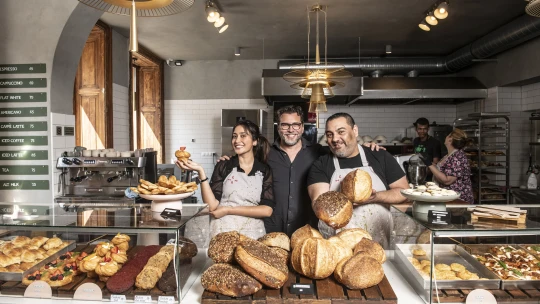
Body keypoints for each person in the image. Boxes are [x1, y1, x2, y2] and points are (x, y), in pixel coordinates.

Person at [219, 106, 384, 237]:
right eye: (285, 125)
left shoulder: (318, 152)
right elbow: (244, 159)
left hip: (308, 231)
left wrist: (365, 147)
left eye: (295, 124)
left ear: (302, 127)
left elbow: (344, 150)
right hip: (270, 230)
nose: (291, 129)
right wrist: (228, 160)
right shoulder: (265, 152)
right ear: (278, 128)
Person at [307, 113, 408, 248]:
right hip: (339, 246)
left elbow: (404, 192)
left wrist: (376, 197)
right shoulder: (321, 165)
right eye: (329, 134)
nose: (335, 139)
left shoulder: (380, 156)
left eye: (341, 132)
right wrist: (349, 199)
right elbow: (320, 205)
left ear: (355, 131)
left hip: (378, 243)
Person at [177, 120, 274, 239]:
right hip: (222, 231)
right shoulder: (224, 165)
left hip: (253, 234)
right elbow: (212, 206)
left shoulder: (264, 170)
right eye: (234, 136)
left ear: (255, 141)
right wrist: (201, 172)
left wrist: (228, 210)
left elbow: (267, 210)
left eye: (243, 136)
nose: (237, 141)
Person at [424, 129, 474, 204]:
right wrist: (427, 162)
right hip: (448, 199)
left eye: (448, 135)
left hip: (458, 201)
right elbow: (442, 169)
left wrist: (429, 164)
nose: (446, 137)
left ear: (450, 140)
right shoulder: (450, 155)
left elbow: (447, 180)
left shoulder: (458, 157)